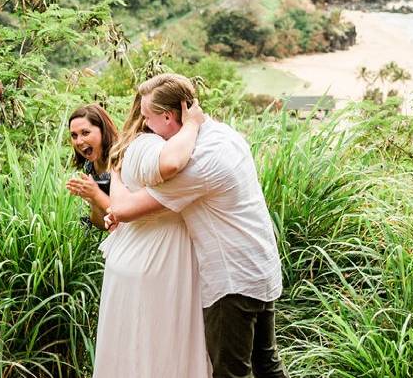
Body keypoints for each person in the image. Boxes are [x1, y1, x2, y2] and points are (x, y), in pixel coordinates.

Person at [107, 73, 289, 378]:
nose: (146, 127)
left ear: (167, 116)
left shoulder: (199, 164)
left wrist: (116, 168)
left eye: (148, 118)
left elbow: (125, 209)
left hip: (233, 281)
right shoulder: (223, 134)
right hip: (261, 267)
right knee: (266, 364)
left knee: (231, 371)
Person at [92, 93, 211, 378]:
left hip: (133, 254)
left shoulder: (127, 151)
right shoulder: (152, 145)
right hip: (159, 257)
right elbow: (169, 165)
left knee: (132, 346)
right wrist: (193, 126)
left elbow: (120, 207)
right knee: (159, 346)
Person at [66, 104, 118, 230]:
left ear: (103, 130)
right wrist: (92, 200)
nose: (78, 141)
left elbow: (129, 215)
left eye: (85, 133)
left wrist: (96, 194)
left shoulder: (122, 158)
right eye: (74, 135)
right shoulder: (89, 166)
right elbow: (101, 224)